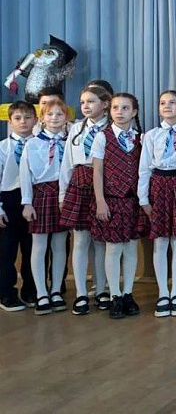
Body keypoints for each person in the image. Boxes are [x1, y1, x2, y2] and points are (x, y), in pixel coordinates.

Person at [90, 93, 146, 319]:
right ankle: (114, 295)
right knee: (113, 248)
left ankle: (128, 293)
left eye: (125, 108)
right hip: (112, 199)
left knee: (131, 247)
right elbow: (97, 171)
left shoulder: (140, 138)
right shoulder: (102, 137)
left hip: (133, 200)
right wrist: (100, 201)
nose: (119, 112)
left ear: (134, 112)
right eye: (115, 108)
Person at [138, 90, 176, 318]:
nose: (167, 106)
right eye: (162, 103)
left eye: (172, 102)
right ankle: (163, 292)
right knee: (160, 241)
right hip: (159, 185)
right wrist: (143, 199)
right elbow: (144, 169)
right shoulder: (152, 135)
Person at [58, 86, 110, 315]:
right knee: (80, 241)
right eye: (82, 102)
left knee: (100, 241)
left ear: (105, 104)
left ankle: (101, 289)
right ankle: (80, 292)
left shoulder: (111, 128)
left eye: (91, 101)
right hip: (79, 183)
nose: (86, 106)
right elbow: (67, 164)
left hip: (103, 184)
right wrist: (62, 194)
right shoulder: (76, 129)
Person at [21, 98, 69, 315]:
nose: (54, 118)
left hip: (63, 195)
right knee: (39, 246)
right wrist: (27, 203)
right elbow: (25, 175)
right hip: (40, 195)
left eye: (59, 114)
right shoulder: (32, 144)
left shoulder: (69, 142)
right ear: (41, 118)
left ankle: (56, 290)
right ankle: (41, 292)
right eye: (50, 114)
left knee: (60, 245)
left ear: (66, 118)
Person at [0, 101, 37, 311]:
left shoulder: (40, 145)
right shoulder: (2, 148)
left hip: (34, 199)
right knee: (7, 250)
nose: (23, 122)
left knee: (32, 247)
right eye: (17, 118)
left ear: (36, 120)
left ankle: (31, 290)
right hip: (9, 200)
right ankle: (6, 293)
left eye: (28, 117)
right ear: (10, 121)